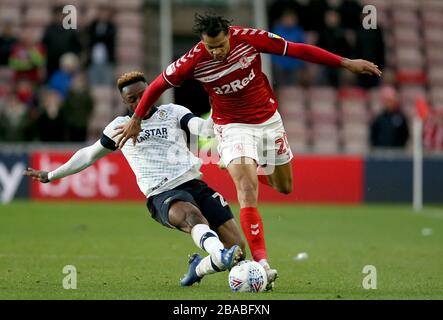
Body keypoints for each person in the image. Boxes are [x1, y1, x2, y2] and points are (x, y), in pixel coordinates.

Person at [113, 14, 382, 290]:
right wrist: (136, 119)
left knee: (284, 185)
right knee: (246, 189)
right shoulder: (193, 60)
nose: (216, 52)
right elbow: (157, 85)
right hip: (231, 126)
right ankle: (263, 263)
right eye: (210, 47)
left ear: (229, 34)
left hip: (268, 121)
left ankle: (238, 165)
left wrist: (346, 63)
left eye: (220, 45)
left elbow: (298, 49)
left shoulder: (251, 39)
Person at [24, 71, 245, 287]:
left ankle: (198, 268)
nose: (140, 101)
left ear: (152, 91)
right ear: (124, 101)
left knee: (238, 248)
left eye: (144, 94)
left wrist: (219, 101)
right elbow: (89, 154)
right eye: (132, 99)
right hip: (163, 193)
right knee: (192, 216)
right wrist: (51, 175)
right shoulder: (119, 127)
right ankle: (219, 255)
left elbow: (204, 130)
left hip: (195, 183)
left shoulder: (173, 112)